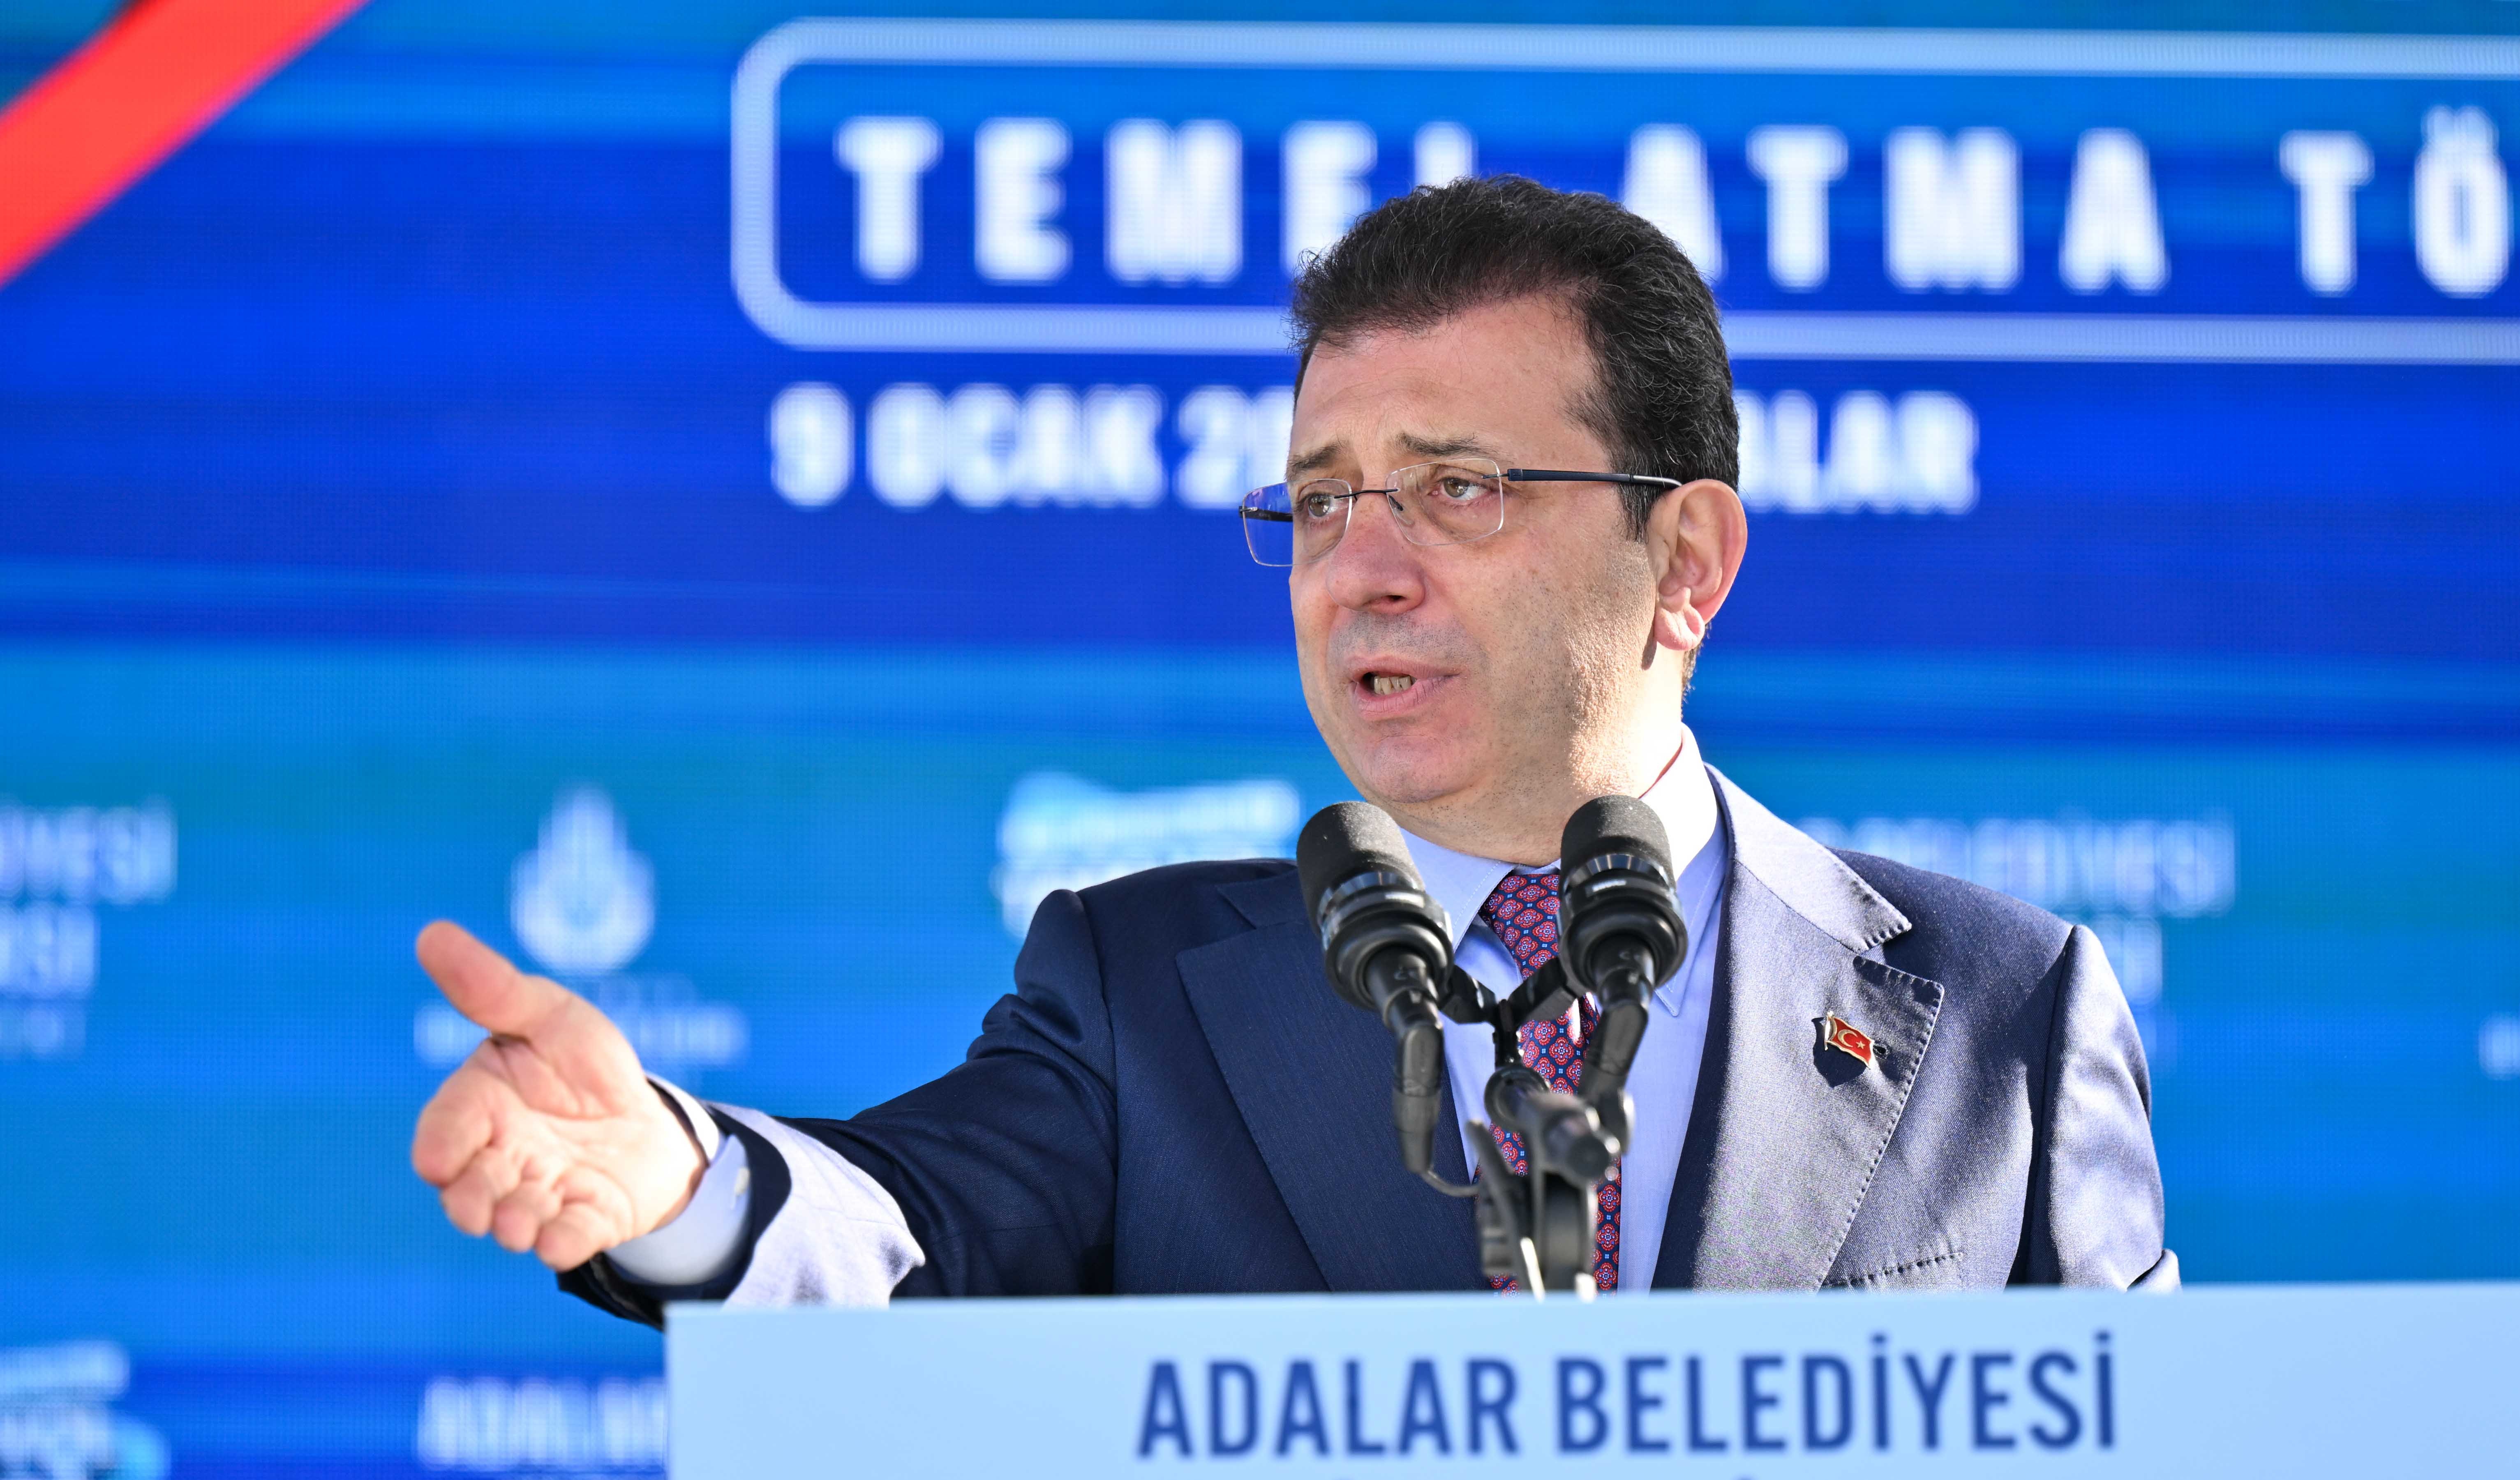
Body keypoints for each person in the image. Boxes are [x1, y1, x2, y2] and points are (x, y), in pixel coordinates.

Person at [409, 176, 2172, 1322]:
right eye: (1321, 501)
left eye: (1457, 488)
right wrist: (679, 1182)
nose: (1359, 571)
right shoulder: (1145, 990)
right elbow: (908, 1233)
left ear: (1686, 559)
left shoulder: (2002, 1015)